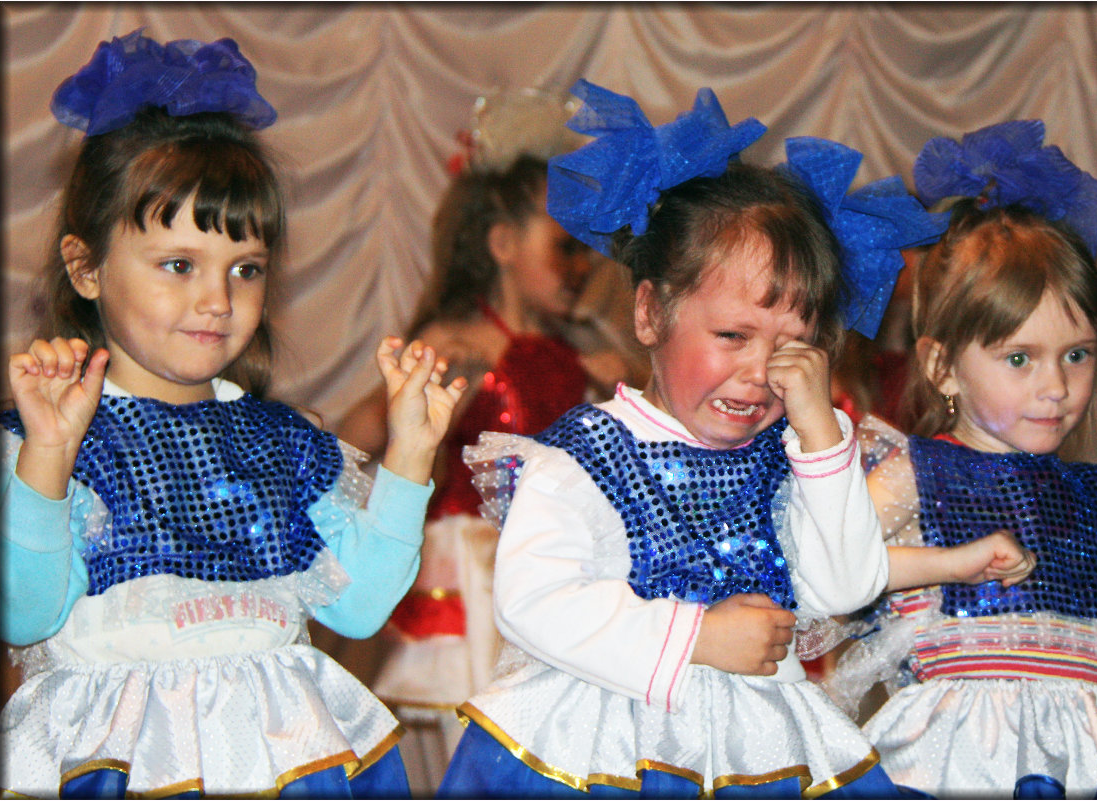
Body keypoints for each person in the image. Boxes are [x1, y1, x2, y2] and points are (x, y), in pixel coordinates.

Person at [435, 79, 1035, 799]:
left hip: (765, 743)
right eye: (731, 335)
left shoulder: (788, 457)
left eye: (794, 345)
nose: (760, 372)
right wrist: (693, 636)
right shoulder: (586, 452)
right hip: (607, 743)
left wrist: (819, 437)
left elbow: (842, 585)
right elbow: (533, 599)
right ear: (651, 311)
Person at [0, 31, 465, 798]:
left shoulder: (284, 443)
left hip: (285, 759)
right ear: (86, 268)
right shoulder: (46, 440)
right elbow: (24, 614)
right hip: (116, 766)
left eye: (244, 270)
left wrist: (410, 456)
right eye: (178, 265)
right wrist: (48, 453)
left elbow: (359, 606)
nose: (217, 300)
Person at [827, 120, 1097, 798]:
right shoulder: (917, 474)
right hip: (958, 758)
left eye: (1076, 354)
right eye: (1018, 358)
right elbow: (826, 567)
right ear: (942, 365)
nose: (1054, 386)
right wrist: (944, 563)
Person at [334, 90, 635, 791]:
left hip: (549, 568)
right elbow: (362, 430)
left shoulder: (581, 349)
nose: (581, 264)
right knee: (471, 738)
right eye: (563, 244)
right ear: (502, 244)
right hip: (469, 568)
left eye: (583, 249)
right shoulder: (458, 344)